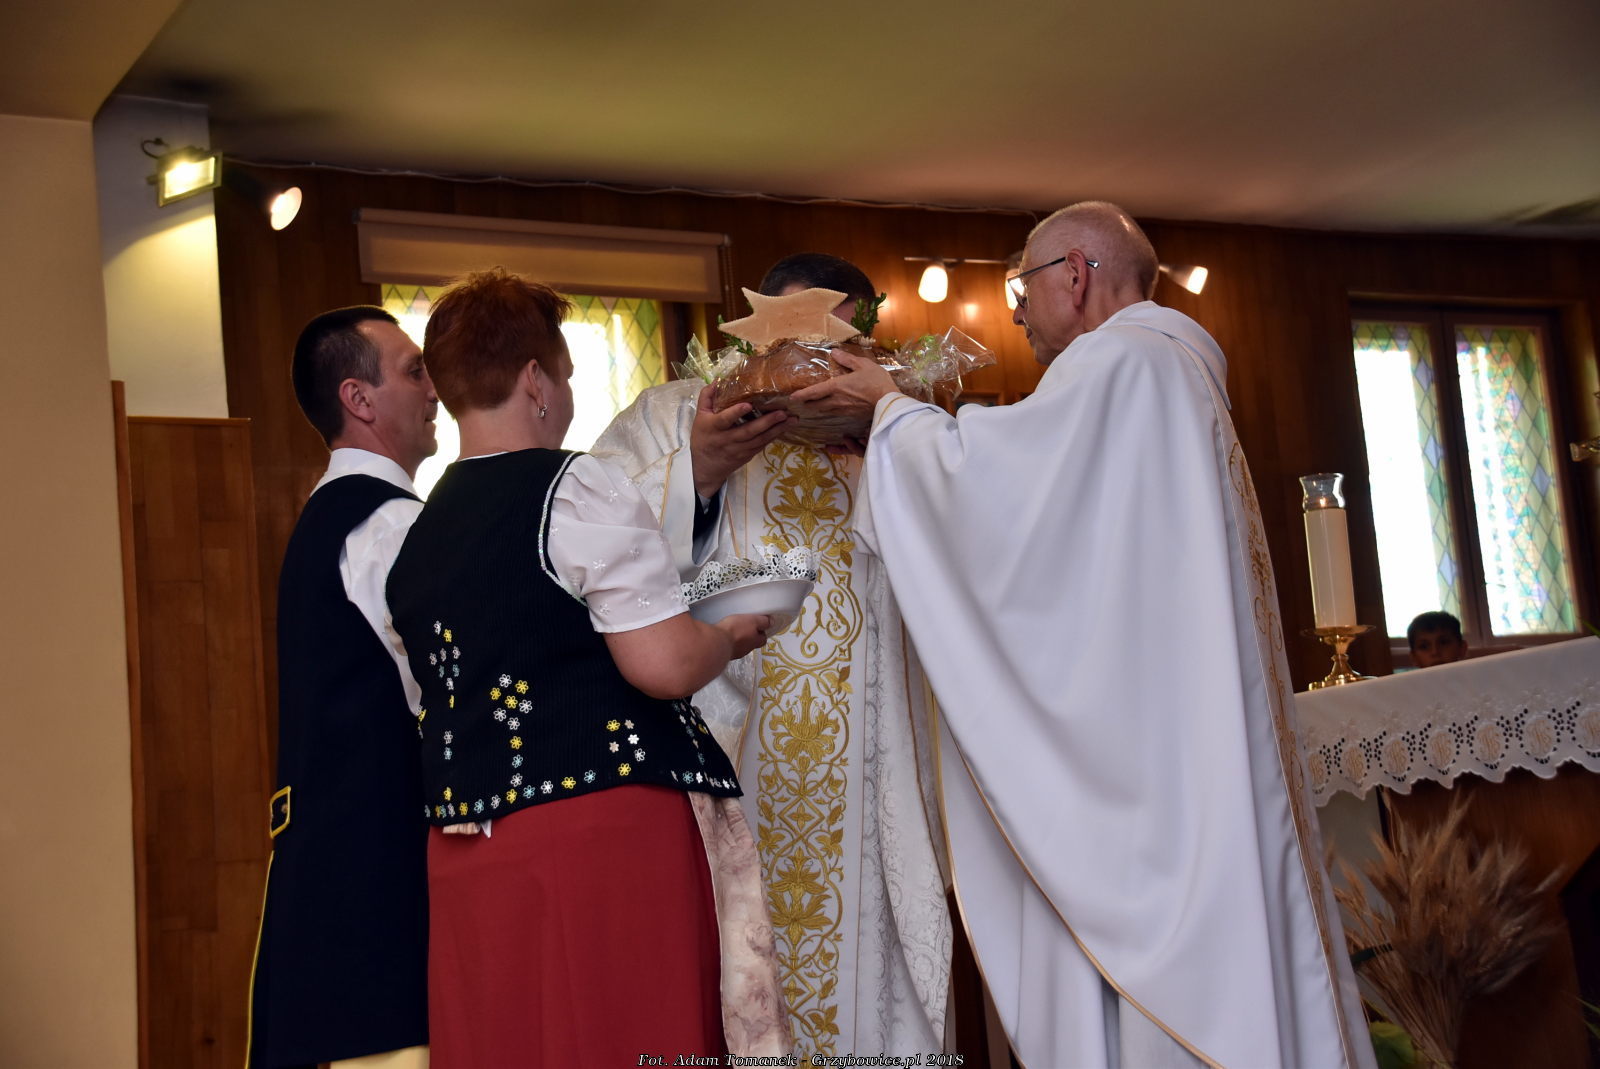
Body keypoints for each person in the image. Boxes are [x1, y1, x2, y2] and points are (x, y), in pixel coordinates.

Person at [792, 203, 1376, 1068]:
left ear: (1074, 274)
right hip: (1175, 738)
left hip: (1152, 773)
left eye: (1023, 286)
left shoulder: (1125, 363)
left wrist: (891, 413)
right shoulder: (1174, 367)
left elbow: (1000, 507)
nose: (1018, 310)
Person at [383, 268, 789, 1066]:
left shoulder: (418, 533)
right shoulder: (573, 487)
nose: (565, 394)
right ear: (536, 380)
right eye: (564, 376)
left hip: (468, 851)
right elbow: (664, 665)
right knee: (621, 1032)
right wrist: (728, 635)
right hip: (599, 831)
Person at [591, 254, 952, 1057]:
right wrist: (698, 470)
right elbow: (591, 538)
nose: (814, 369)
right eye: (794, 343)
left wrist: (890, 436)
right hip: (734, 755)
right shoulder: (681, 413)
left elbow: (968, 555)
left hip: (872, 770)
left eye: (836, 350)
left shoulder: (896, 419)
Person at [247, 306, 438, 1069]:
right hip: (377, 878)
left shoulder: (328, 516)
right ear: (358, 398)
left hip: (323, 871)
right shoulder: (388, 524)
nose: (435, 389)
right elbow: (442, 688)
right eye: (415, 371)